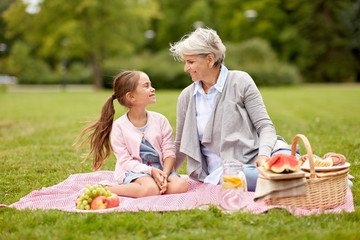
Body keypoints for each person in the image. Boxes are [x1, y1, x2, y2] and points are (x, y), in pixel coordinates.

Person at [169, 27, 295, 191]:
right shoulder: (186, 97)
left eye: (190, 62)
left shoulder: (240, 81)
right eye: (185, 62)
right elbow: (180, 144)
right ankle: (297, 179)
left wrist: (263, 156)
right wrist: (166, 173)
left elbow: (265, 126)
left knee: (292, 164)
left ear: (210, 59)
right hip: (227, 172)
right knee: (286, 175)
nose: (186, 68)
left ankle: (302, 172)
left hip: (261, 156)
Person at [76, 70, 189, 197]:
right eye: (146, 86)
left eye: (150, 85)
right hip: (134, 171)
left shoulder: (161, 120)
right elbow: (125, 161)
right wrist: (150, 171)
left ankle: (149, 188)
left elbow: (169, 151)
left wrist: (164, 174)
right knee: (151, 188)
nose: (153, 89)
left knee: (181, 185)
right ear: (131, 97)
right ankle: (107, 189)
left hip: (161, 169)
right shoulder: (119, 127)